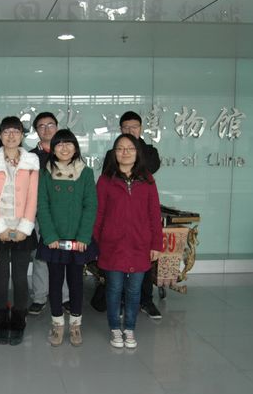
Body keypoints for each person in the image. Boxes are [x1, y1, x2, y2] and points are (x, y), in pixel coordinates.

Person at [94, 133, 162, 349]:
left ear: (137, 153)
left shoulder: (147, 180)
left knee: (134, 290)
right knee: (114, 289)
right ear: (114, 153)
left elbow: (154, 214)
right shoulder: (105, 180)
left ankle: (130, 328)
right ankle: (115, 327)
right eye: (120, 148)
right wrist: (97, 242)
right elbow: (98, 214)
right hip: (112, 245)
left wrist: (156, 244)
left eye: (130, 148)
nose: (125, 153)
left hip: (139, 244)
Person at [36, 129, 97, 347]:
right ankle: (57, 324)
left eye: (69, 143)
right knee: (54, 283)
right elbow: (42, 206)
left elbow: (90, 206)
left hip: (78, 241)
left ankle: (76, 325)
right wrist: (49, 235)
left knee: (76, 283)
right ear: (53, 149)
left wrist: (83, 237)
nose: (64, 148)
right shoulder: (45, 173)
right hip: (54, 241)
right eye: (59, 144)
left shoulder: (86, 173)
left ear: (76, 148)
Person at [0, 116, 39, 346]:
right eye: (6, 131)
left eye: (16, 131)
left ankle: (18, 316)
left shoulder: (31, 161)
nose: (11, 136)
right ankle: (0, 315)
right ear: (0, 135)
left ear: (22, 135)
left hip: (22, 229)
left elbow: (33, 197)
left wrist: (25, 227)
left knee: (19, 277)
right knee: (0, 276)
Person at [27, 112, 70, 316]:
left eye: (50, 125)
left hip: (64, 214)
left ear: (57, 127)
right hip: (38, 213)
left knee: (64, 256)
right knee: (40, 256)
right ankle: (39, 297)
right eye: (41, 126)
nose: (46, 129)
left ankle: (65, 297)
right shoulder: (29, 157)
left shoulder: (67, 153)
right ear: (36, 131)